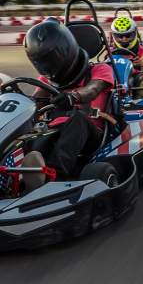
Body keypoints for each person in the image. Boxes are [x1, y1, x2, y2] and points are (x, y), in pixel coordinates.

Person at [20, 17, 115, 190]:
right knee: (31, 130)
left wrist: (73, 97)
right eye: (43, 62)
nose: (49, 66)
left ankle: (55, 177)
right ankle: (23, 174)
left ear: (66, 50)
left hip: (91, 132)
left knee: (77, 118)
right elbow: (36, 102)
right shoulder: (45, 80)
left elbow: (93, 89)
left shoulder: (100, 69)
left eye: (52, 59)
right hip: (55, 130)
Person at [111, 15, 143, 96]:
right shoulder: (110, 51)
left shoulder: (142, 50)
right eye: (120, 36)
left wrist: (142, 62)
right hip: (114, 81)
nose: (124, 39)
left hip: (133, 82)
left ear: (134, 33)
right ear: (114, 36)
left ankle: (139, 100)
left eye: (128, 36)